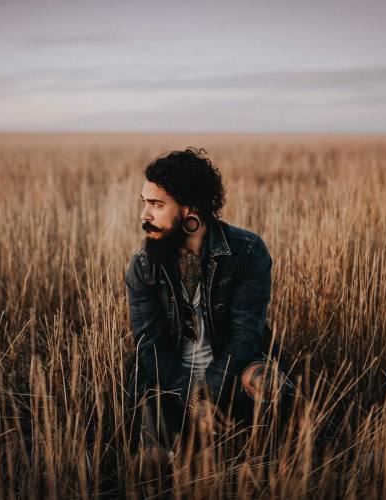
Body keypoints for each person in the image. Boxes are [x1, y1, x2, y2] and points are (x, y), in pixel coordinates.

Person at [125, 148, 291, 492]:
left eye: (156, 204)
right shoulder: (143, 265)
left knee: (266, 380)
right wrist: (192, 398)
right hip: (172, 382)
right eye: (144, 202)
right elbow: (150, 349)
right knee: (150, 465)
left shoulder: (247, 251)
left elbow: (246, 337)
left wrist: (210, 395)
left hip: (234, 368)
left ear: (190, 209)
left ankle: (293, 449)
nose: (144, 214)